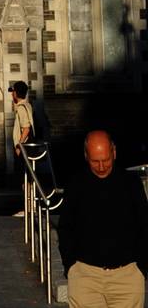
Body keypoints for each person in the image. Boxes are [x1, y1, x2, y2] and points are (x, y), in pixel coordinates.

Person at [58, 130, 148, 308]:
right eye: (95, 161)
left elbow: (144, 225)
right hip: (85, 277)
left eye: (105, 160)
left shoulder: (131, 183)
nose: (101, 166)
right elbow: (66, 227)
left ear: (114, 152)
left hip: (127, 277)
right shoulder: (76, 184)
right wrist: (71, 267)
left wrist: (141, 268)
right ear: (86, 156)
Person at [9, 80, 35, 216]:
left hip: (24, 148)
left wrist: (19, 145)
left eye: (12, 91)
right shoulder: (28, 105)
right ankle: (30, 207)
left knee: (24, 178)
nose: (11, 94)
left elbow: (26, 127)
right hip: (29, 148)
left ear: (16, 93)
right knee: (28, 178)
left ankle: (29, 208)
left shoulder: (21, 108)